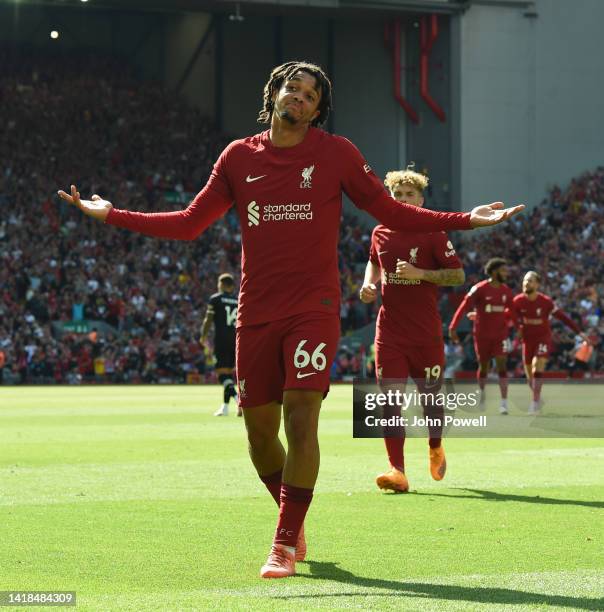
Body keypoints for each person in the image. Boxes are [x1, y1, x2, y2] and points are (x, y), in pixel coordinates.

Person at [58, 60, 524, 578]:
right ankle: (292, 515)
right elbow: (190, 224)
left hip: (313, 308)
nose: (298, 98)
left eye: (309, 95)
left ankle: (282, 542)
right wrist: (113, 213)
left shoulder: (336, 153)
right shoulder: (238, 157)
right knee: (259, 435)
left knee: (302, 415)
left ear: (318, 109)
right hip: (257, 311)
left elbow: (389, 210)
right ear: (275, 93)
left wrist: (465, 220)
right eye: (292, 89)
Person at [359, 166, 465, 493]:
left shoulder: (433, 233)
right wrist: (368, 283)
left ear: (420, 199)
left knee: (431, 401)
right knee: (390, 400)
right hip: (389, 331)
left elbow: (458, 276)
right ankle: (397, 470)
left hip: (425, 334)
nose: (403, 200)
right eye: (397, 195)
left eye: (409, 195)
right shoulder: (380, 233)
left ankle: (435, 445)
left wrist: (421, 272)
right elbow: (375, 262)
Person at [513, 271, 590, 413]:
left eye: (530, 280)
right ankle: (537, 397)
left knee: (538, 365)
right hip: (527, 341)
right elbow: (506, 315)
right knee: (529, 377)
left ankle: (534, 403)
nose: (526, 283)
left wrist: (580, 332)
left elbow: (563, 317)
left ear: (537, 284)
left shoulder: (545, 302)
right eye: (524, 280)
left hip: (543, 338)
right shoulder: (517, 301)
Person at [449, 258, 515, 414]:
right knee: (484, 366)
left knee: (501, 365)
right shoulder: (479, 289)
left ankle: (503, 403)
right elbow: (464, 306)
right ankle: (482, 393)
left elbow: (512, 312)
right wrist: (453, 327)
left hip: (500, 334)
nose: (506, 273)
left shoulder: (506, 291)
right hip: (482, 335)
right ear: (494, 271)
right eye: (503, 270)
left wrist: (508, 320)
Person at [200, 273, 240, 417]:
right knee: (228, 374)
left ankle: (239, 401)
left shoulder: (216, 299)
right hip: (235, 341)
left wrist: (203, 337)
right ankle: (225, 407)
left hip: (222, 340)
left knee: (222, 375)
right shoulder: (238, 300)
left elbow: (208, 320)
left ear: (222, 284)